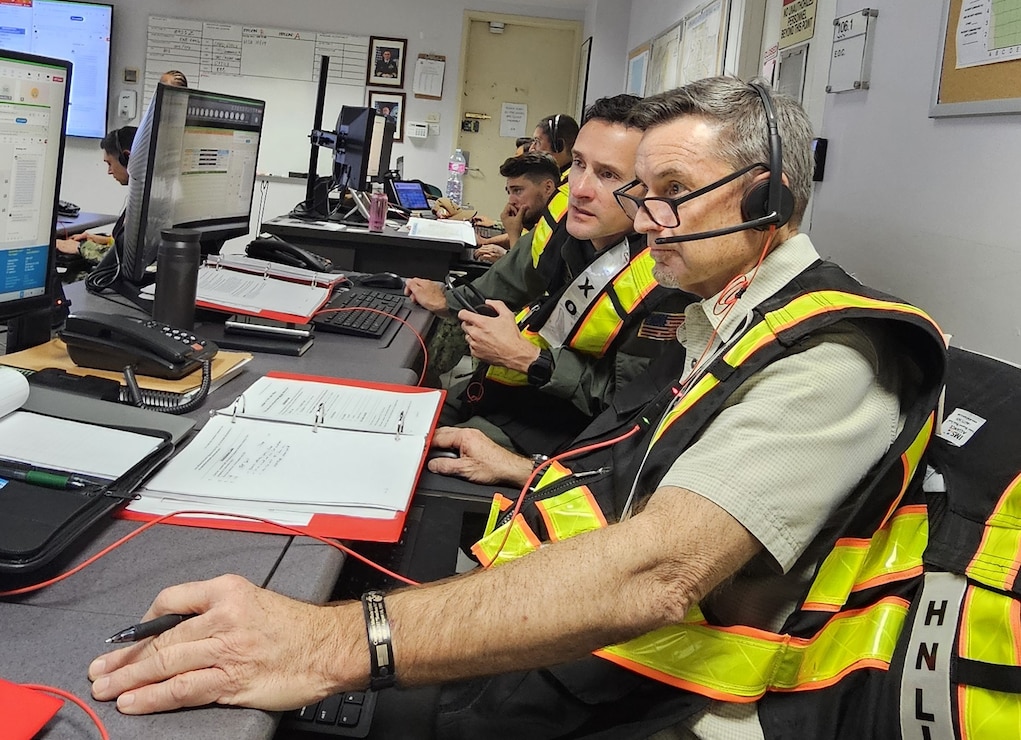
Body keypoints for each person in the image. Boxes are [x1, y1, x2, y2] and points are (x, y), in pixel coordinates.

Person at [87, 78, 947, 738]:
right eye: (635, 192)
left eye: (668, 191)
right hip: (595, 649)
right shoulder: (721, 317)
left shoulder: (830, 358)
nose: (643, 223)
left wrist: (328, 645)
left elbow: (656, 575)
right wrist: (527, 469)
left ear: (771, 198)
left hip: (662, 699)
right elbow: (654, 474)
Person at [408, 95, 694, 453]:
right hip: (507, 389)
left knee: (414, 455)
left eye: (607, 174)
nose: (580, 188)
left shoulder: (666, 277)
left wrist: (527, 358)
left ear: (648, 189)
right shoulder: (564, 213)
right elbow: (506, 282)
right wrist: (445, 300)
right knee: (398, 412)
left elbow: (629, 407)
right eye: (578, 164)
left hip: (563, 431)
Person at [55, 126, 135, 280]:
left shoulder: (147, 203)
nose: (109, 171)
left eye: (109, 163)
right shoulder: (150, 193)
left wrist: (80, 247)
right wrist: (102, 239)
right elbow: (130, 244)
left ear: (128, 159)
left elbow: (127, 260)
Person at [472, 151, 560, 264]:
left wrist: (513, 236)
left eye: (518, 190)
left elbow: (521, 278)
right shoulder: (537, 220)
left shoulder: (559, 228)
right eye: (509, 192)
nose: (511, 201)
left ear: (547, 188)